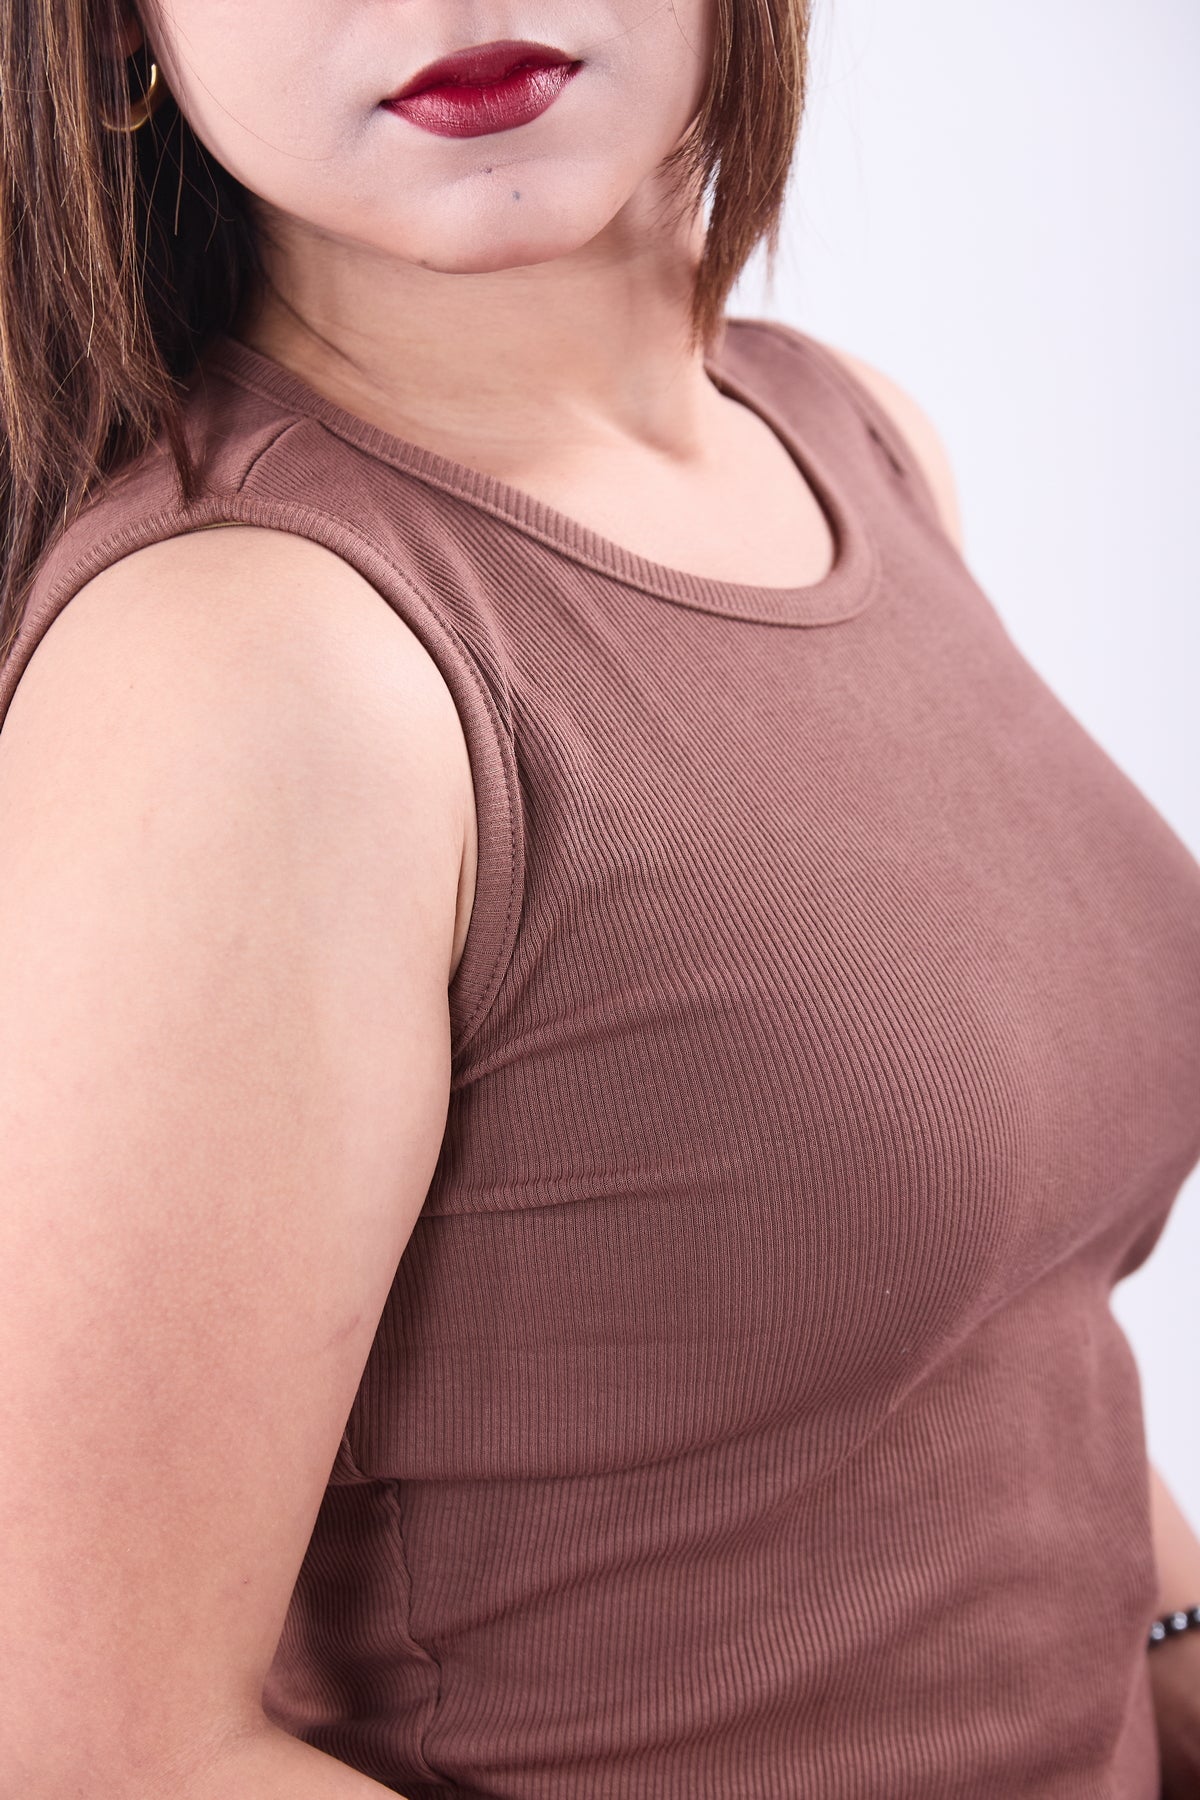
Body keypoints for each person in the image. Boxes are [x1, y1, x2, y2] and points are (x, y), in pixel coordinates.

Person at [1, 0, 1198, 1795]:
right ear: (115, 37)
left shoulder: (842, 433)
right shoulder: (254, 667)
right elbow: (99, 1751)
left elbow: (1010, 1338)